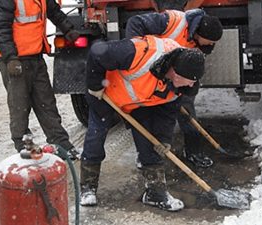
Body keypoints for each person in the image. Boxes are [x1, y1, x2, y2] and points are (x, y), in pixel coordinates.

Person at [81, 35, 205, 211]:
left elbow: (167, 116)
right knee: (96, 135)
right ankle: (88, 188)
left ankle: (155, 193)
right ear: (175, 72)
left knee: (151, 141)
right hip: (105, 95)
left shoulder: (180, 87)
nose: (191, 85)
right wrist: (95, 86)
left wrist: (164, 140)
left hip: (139, 103)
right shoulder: (138, 53)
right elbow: (97, 53)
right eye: (189, 80)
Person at [125, 7, 223, 168]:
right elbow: (135, 23)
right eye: (211, 41)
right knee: (148, 114)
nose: (211, 45)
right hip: (151, 73)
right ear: (201, 33)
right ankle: (147, 156)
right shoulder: (173, 21)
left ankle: (193, 151)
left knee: (186, 107)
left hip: (175, 76)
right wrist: (138, 54)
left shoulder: (200, 43)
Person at [0, 0, 80, 158]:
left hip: (35, 57)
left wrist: (68, 28)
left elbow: (53, 10)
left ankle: (61, 143)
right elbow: (0, 29)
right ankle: (24, 145)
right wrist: (11, 58)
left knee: (47, 103)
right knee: (20, 106)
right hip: (15, 60)